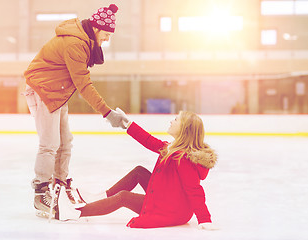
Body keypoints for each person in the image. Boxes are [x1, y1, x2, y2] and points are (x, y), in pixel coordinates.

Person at [23, 4, 127, 217]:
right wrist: (108, 113)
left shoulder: (84, 40)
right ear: (97, 29)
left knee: (66, 141)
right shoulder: (75, 44)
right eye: (106, 34)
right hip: (44, 88)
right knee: (49, 143)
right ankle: (40, 193)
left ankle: (59, 184)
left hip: (58, 90)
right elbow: (84, 86)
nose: (107, 40)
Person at [53, 110, 218, 229]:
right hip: (170, 201)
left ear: (184, 130)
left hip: (172, 210)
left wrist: (205, 219)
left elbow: (194, 189)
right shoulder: (172, 149)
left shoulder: (183, 158)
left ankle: (75, 213)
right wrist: (128, 124)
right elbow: (148, 140)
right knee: (139, 171)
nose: (171, 121)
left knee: (123, 197)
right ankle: (98, 198)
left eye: (176, 120)